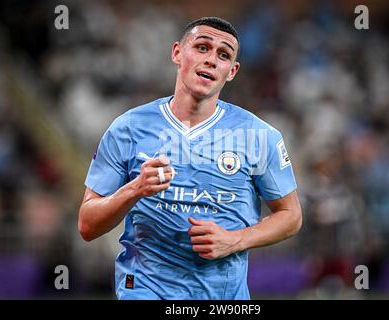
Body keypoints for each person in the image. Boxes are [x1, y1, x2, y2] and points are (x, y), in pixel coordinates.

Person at [78, 16, 302, 300]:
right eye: (202, 47)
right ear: (177, 53)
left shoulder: (259, 136)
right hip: (145, 290)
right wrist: (136, 188)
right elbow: (87, 225)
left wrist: (234, 240)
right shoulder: (128, 129)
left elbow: (291, 215)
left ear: (231, 71)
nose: (211, 60)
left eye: (223, 55)